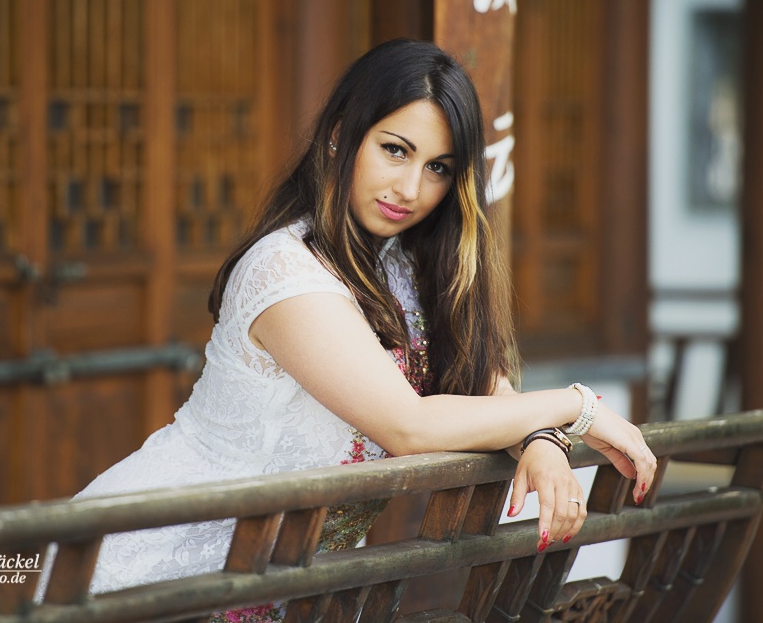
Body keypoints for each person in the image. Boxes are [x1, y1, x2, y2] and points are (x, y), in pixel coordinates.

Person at [36, 39, 657, 620]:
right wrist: (580, 407)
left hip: (275, 580)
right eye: (395, 149)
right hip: (157, 567)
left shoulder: (404, 267)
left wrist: (542, 438)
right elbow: (406, 425)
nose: (411, 188)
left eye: (439, 167)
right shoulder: (285, 270)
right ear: (340, 137)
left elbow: (479, 386)